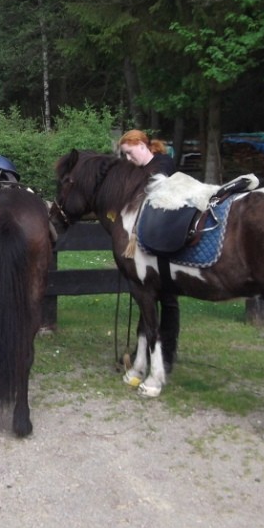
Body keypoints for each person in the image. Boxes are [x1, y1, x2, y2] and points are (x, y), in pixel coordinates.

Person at [117, 129, 180, 372]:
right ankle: (145, 351)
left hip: (166, 236)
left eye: (130, 153)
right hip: (148, 236)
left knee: (168, 300)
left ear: (142, 145)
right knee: (148, 297)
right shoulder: (141, 169)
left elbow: (154, 191)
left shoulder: (162, 163)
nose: (129, 159)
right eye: (125, 156)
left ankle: (166, 354)